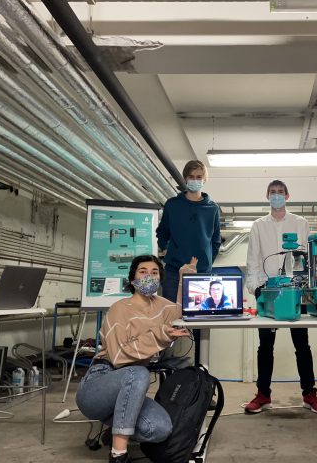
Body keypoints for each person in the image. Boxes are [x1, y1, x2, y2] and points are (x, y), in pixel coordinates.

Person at [76, 255, 193, 463]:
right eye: (143, 271)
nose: (149, 276)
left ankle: (116, 430)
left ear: (160, 279)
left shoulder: (161, 306)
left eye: (154, 272)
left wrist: (185, 276)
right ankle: (118, 454)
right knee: (138, 373)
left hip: (130, 389)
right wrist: (159, 335)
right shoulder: (120, 308)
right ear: (133, 279)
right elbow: (118, 356)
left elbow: (182, 310)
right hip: (100, 382)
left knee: (160, 429)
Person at [244, 179, 317, 414]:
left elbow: (308, 258)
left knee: (302, 344)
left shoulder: (300, 223)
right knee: (265, 346)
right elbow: (253, 259)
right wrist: (256, 288)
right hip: (268, 291)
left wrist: (309, 287)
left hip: (295, 291)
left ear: (287, 196)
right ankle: (263, 394)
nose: (276, 195)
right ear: (267, 196)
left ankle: (309, 394)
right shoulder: (258, 225)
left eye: (280, 192)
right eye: (272, 192)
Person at [156, 160, 221, 362]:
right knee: (169, 322)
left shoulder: (212, 208)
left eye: (199, 177)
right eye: (191, 177)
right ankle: (165, 369)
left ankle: (201, 369)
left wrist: (205, 262)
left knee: (201, 326)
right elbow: (162, 233)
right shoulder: (172, 205)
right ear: (185, 179)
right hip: (173, 273)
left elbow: (216, 240)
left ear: (205, 179)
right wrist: (167, 249)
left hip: (201, 276)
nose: (195, 180)